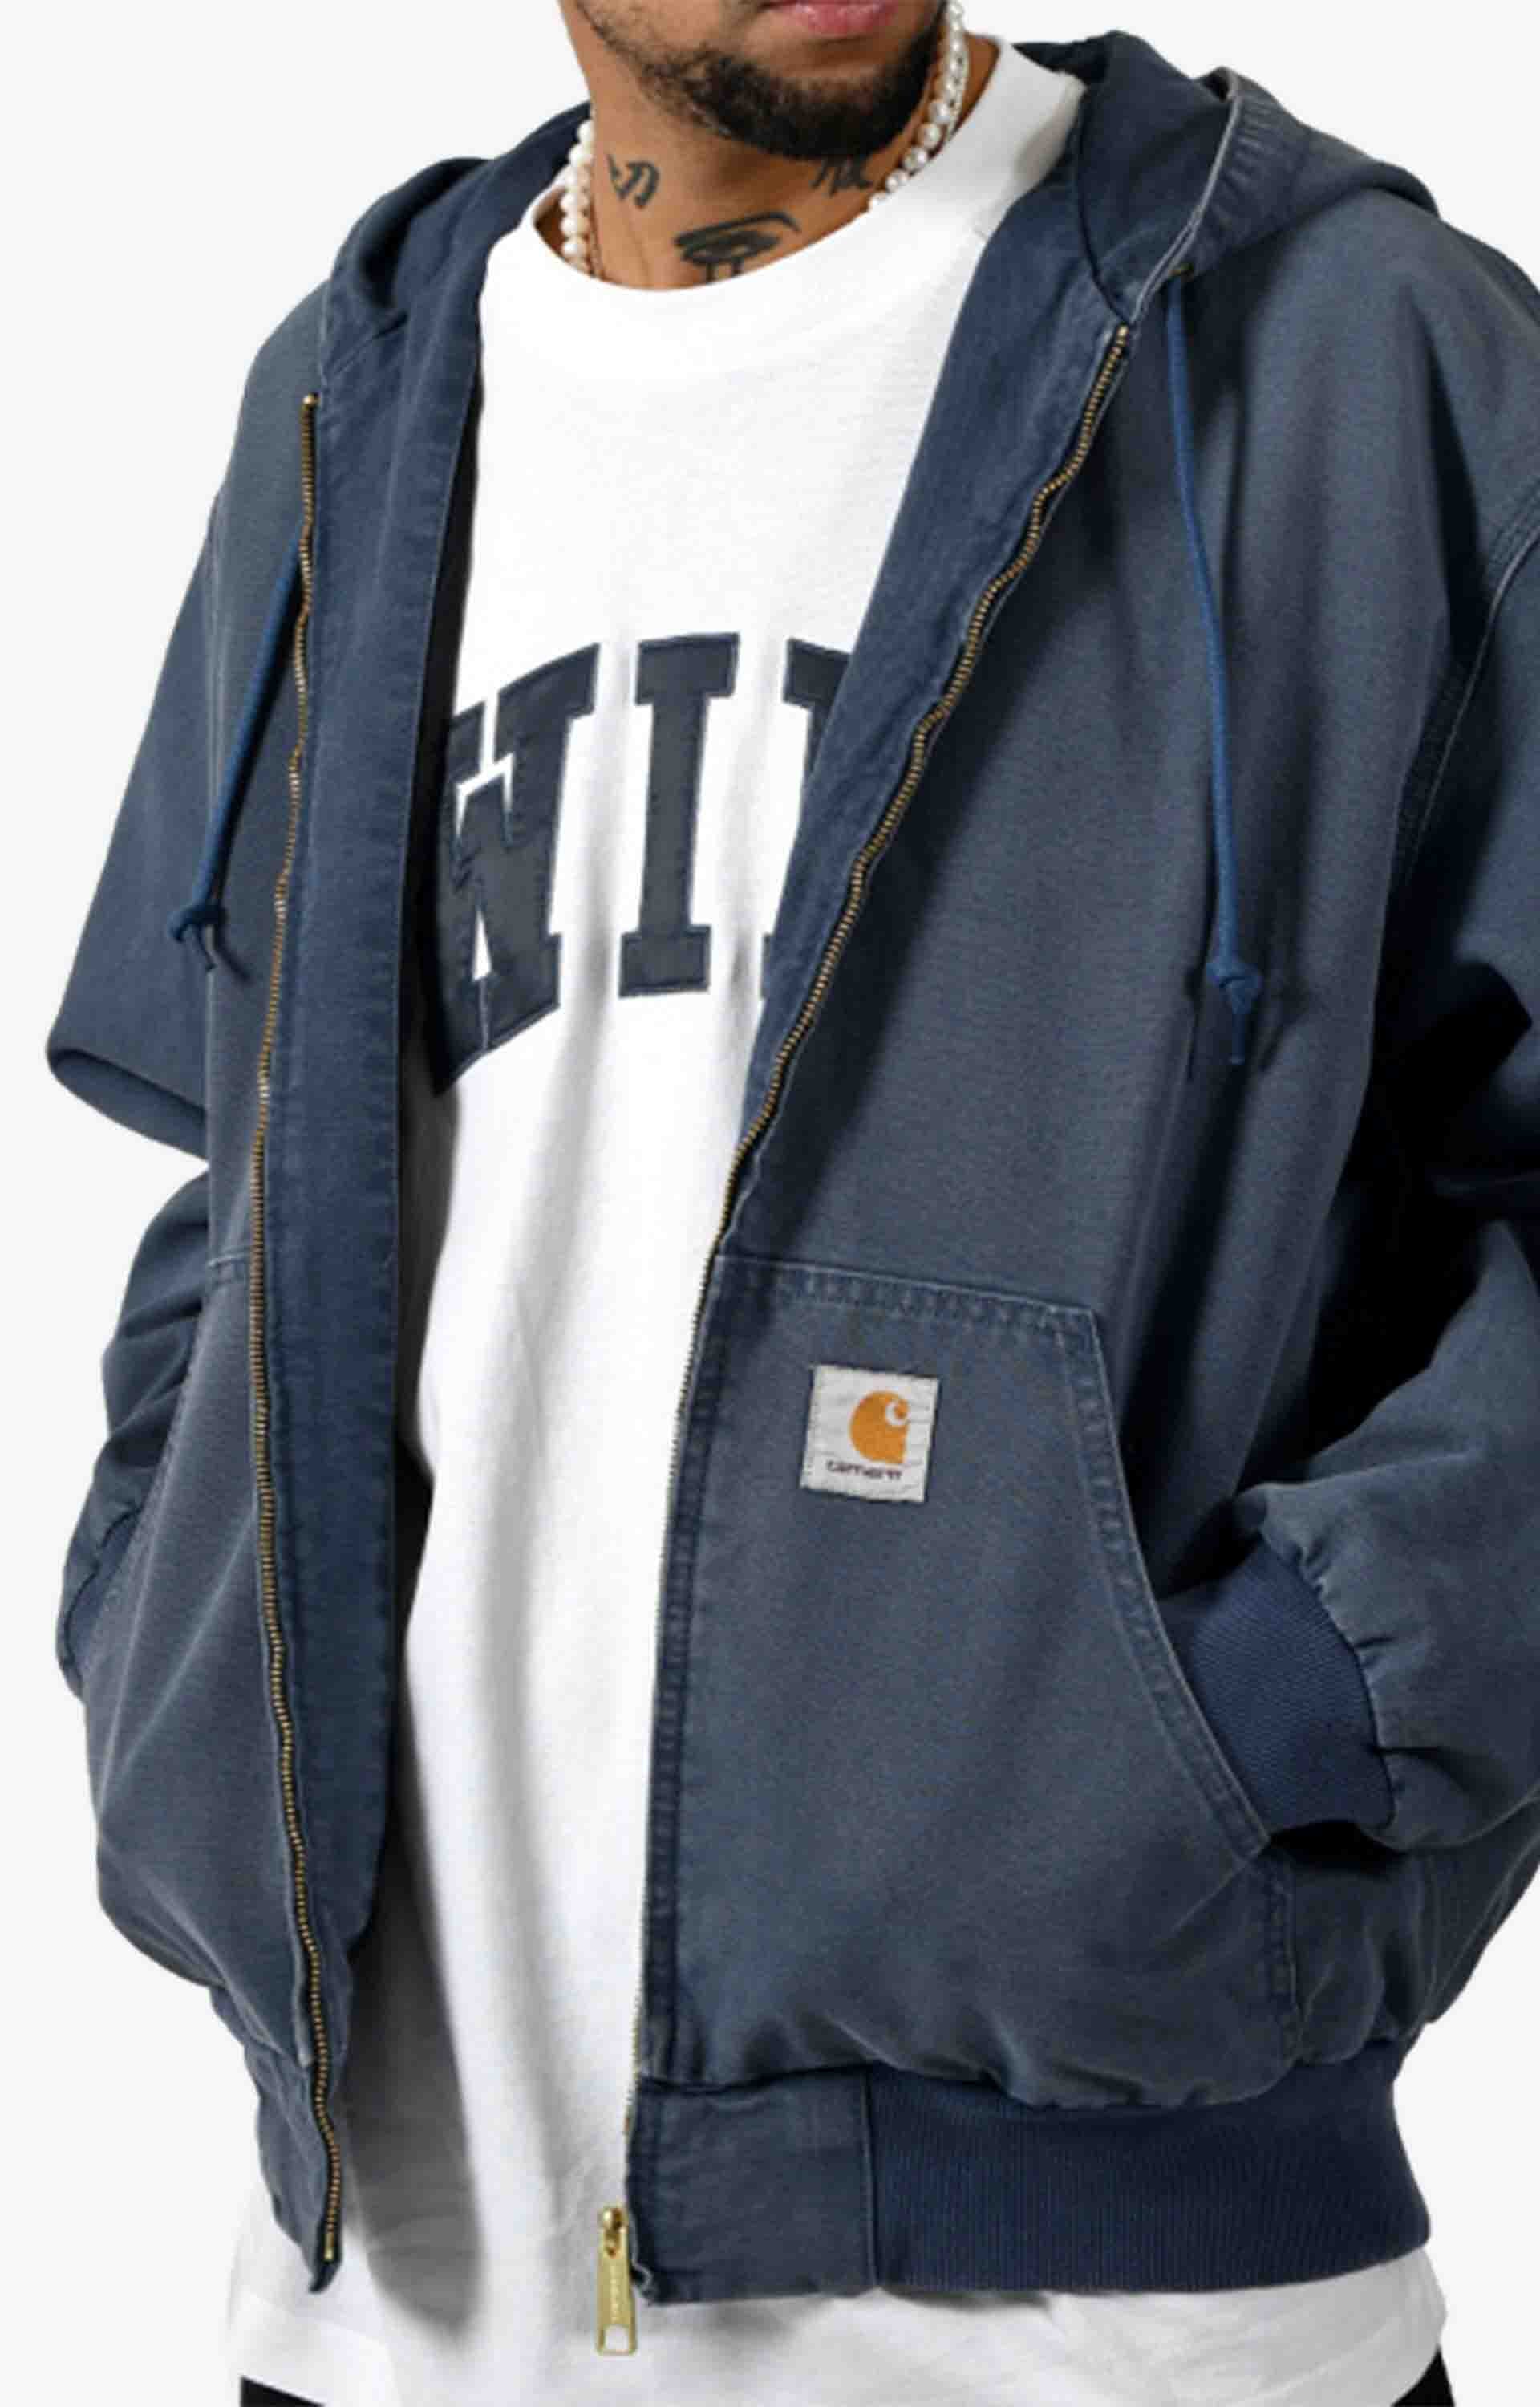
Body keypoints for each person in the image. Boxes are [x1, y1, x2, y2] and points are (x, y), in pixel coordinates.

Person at [46, 3, 1540, 2400]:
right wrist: (163, 1633)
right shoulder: (354, 393)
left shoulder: (1347, 352)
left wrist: (1275, 1704)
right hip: (383, 2295)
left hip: (1108, 2315)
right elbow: (245, 1180)